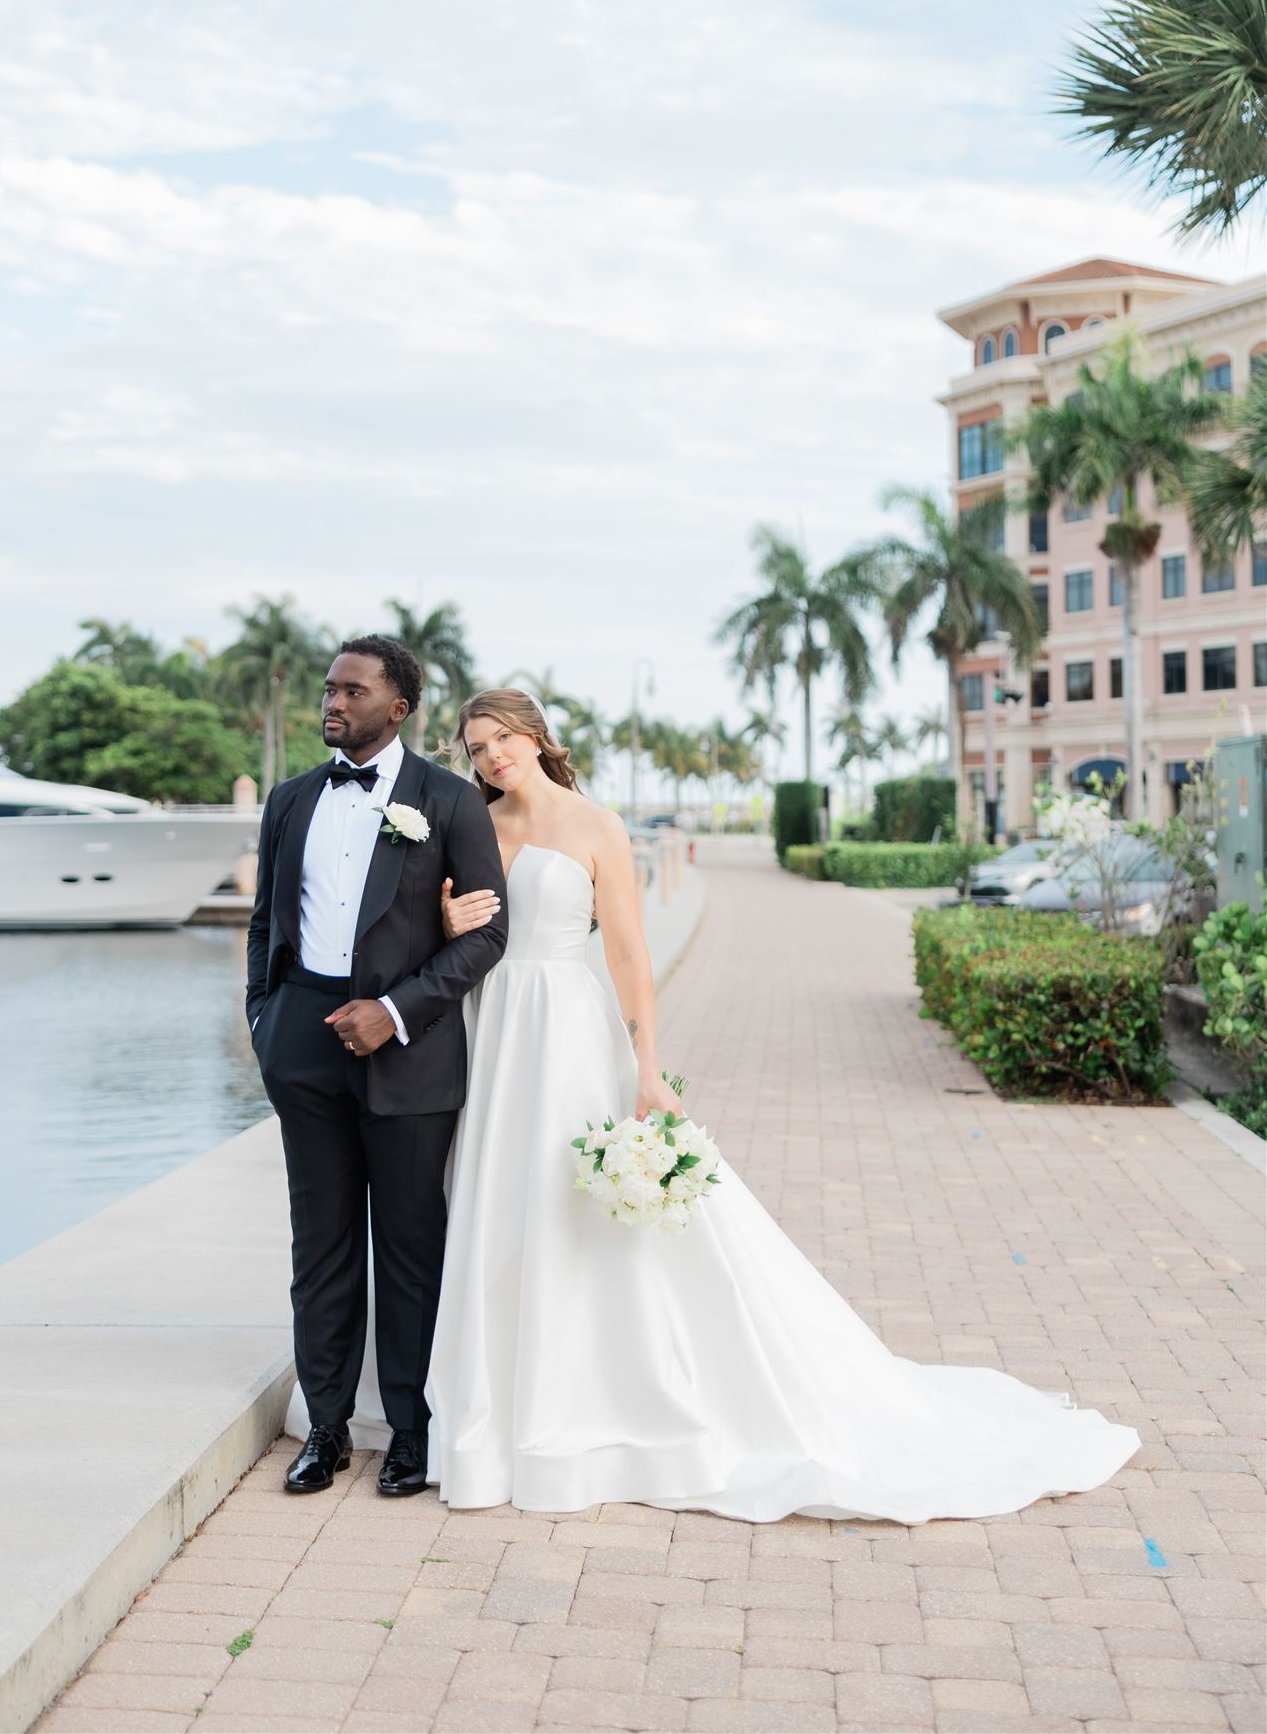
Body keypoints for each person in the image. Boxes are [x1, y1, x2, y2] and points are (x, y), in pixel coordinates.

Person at [423, 687, 1139, 1521]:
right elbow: (457, 935)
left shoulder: (596, 826)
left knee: (570, 1209)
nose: (489, 760)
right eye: (474, 749)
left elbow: (626, 954)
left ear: (536, 737)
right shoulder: (472, 825)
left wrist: (648, 1069)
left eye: (499, 740)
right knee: (494, 1201)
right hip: (491, 1029)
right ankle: (493, 1393)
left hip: (566, 1036)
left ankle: (585, 1391)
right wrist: (445, 925)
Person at [246, 637, 507, 1499]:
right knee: (318, 1244)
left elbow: (487, 935)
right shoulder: (288, 799)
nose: (333, 700)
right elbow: (264, 924)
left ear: (398, 708)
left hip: (409, 1053)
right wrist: (265, 1018)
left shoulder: (450, 800)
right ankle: (324, 1428)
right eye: (329, 687)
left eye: (352, 690)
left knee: (407, 1248)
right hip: (303, 1046)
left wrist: (392, 1012)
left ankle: (410, 1430)